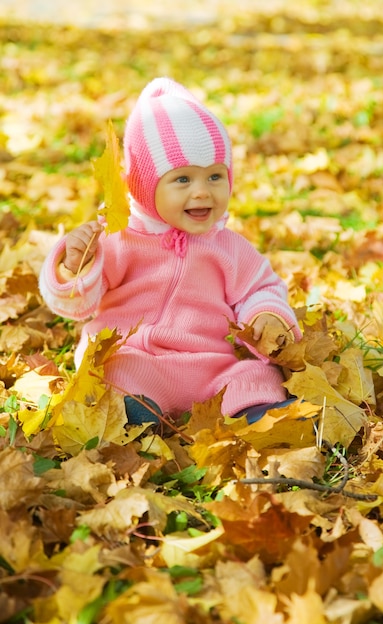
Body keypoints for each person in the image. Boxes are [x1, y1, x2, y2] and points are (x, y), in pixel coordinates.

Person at [39, 77, 302, 426]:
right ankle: (135, 415)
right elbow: (76, 303)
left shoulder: (228, 247)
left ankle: (258, 414)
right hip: (137, 354)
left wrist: (265, 315)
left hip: (208, 364)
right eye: (183, 180)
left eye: (214, 177)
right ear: (146, 185)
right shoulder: (119, 238)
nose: (202, 192)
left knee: (254, 374)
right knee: (114, 370)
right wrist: (75, 268)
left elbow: (261, 288)